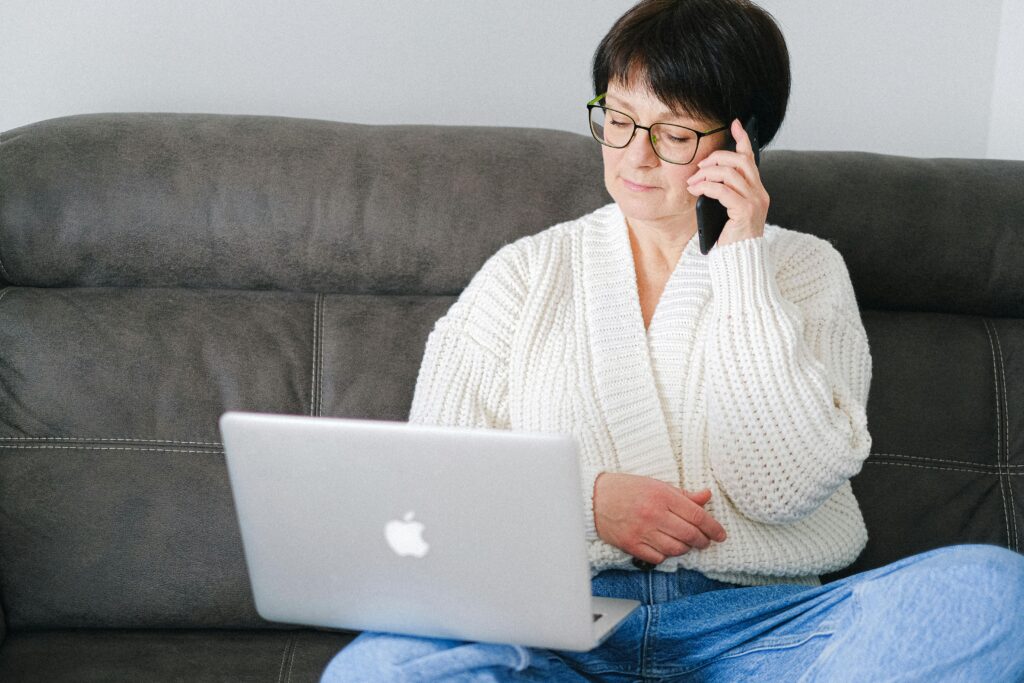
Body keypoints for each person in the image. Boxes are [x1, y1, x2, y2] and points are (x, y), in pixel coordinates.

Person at [321, 0, 1024, 680]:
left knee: (993, 594)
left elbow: (784, 486)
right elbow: (429, 491)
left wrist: (742, 261)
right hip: (559, 632)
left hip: (766, 630)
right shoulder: (522, 275)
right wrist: (586, 504)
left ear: (739, 140)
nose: (637, 155)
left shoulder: (805, 269)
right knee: (381, 666)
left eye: (675, 132)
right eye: (620, 119)